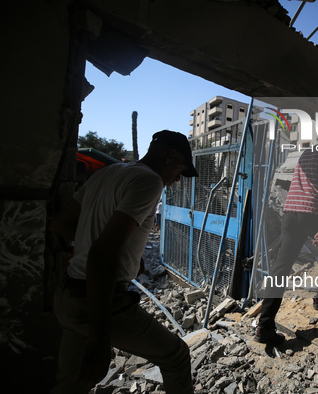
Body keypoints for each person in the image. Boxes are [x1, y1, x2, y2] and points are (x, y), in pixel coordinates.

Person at [49, 130, 198, 394]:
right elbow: (103, 253)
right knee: (176, 356)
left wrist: (119, 253)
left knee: (72, 384)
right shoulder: (150, 181)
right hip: (100, 299)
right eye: (180, 169)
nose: (177, 179)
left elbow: (62, 224)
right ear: (170, 156)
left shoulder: (109, 172)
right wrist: (100, 338)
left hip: (68, 296)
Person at [255, 130, 318, 346]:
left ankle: (264, 325)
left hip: (290, 211)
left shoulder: (309, 151)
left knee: (281, 267)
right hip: (311, 211)